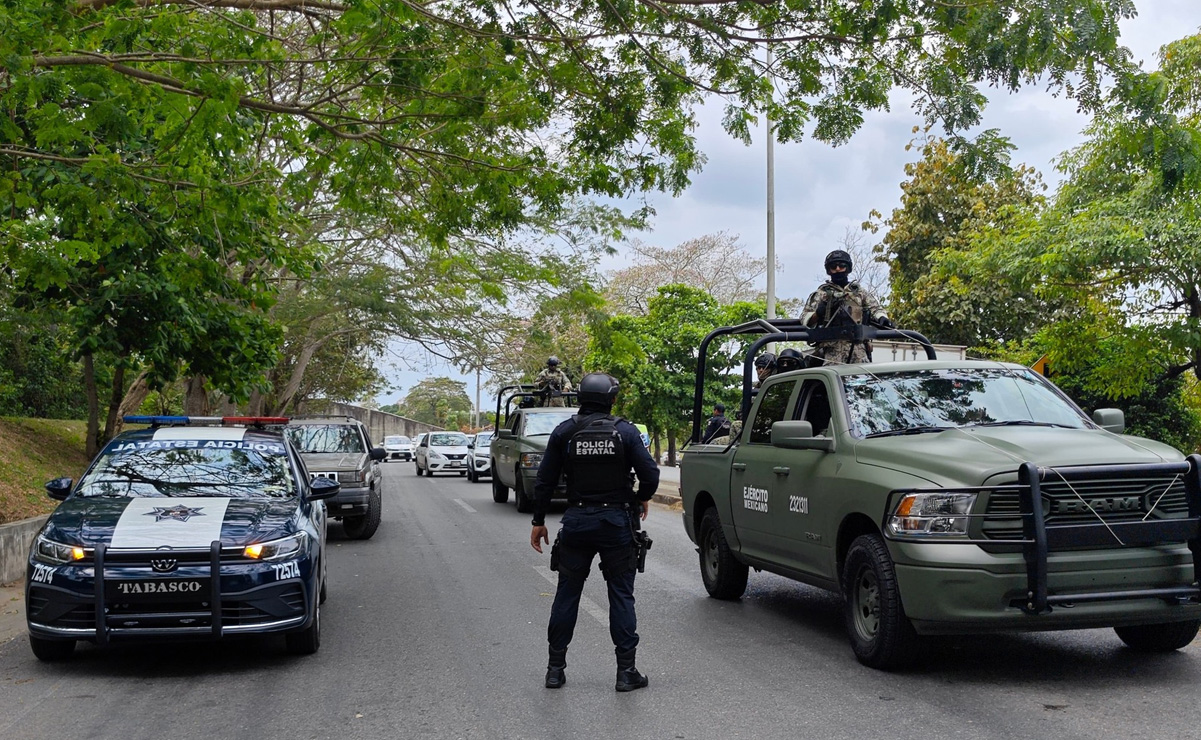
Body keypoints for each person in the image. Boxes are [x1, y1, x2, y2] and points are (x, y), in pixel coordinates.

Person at [530, 372, 659, 692]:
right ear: (611, 399)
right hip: (616, 523)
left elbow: (544, 480)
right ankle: (626, 672)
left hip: (576, 521)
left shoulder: (564, 432)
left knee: (566, 594)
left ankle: (554, 670)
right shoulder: (625, 432)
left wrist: (538, 521)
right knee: (621, 595)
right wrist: (640, 498)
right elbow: (651, 474)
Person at [801, 249, 893, 365]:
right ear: (829, 270)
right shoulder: (821, 294)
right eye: (834, 266)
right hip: (830, 351)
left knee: (862, 381)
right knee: (831, 381)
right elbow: (804, 318)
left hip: (858, 350)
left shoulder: (858, 292)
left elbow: (875, 308)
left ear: (848, 268)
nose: (838, 269)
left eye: (842, 266)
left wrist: (882, 318)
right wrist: (818, 314)